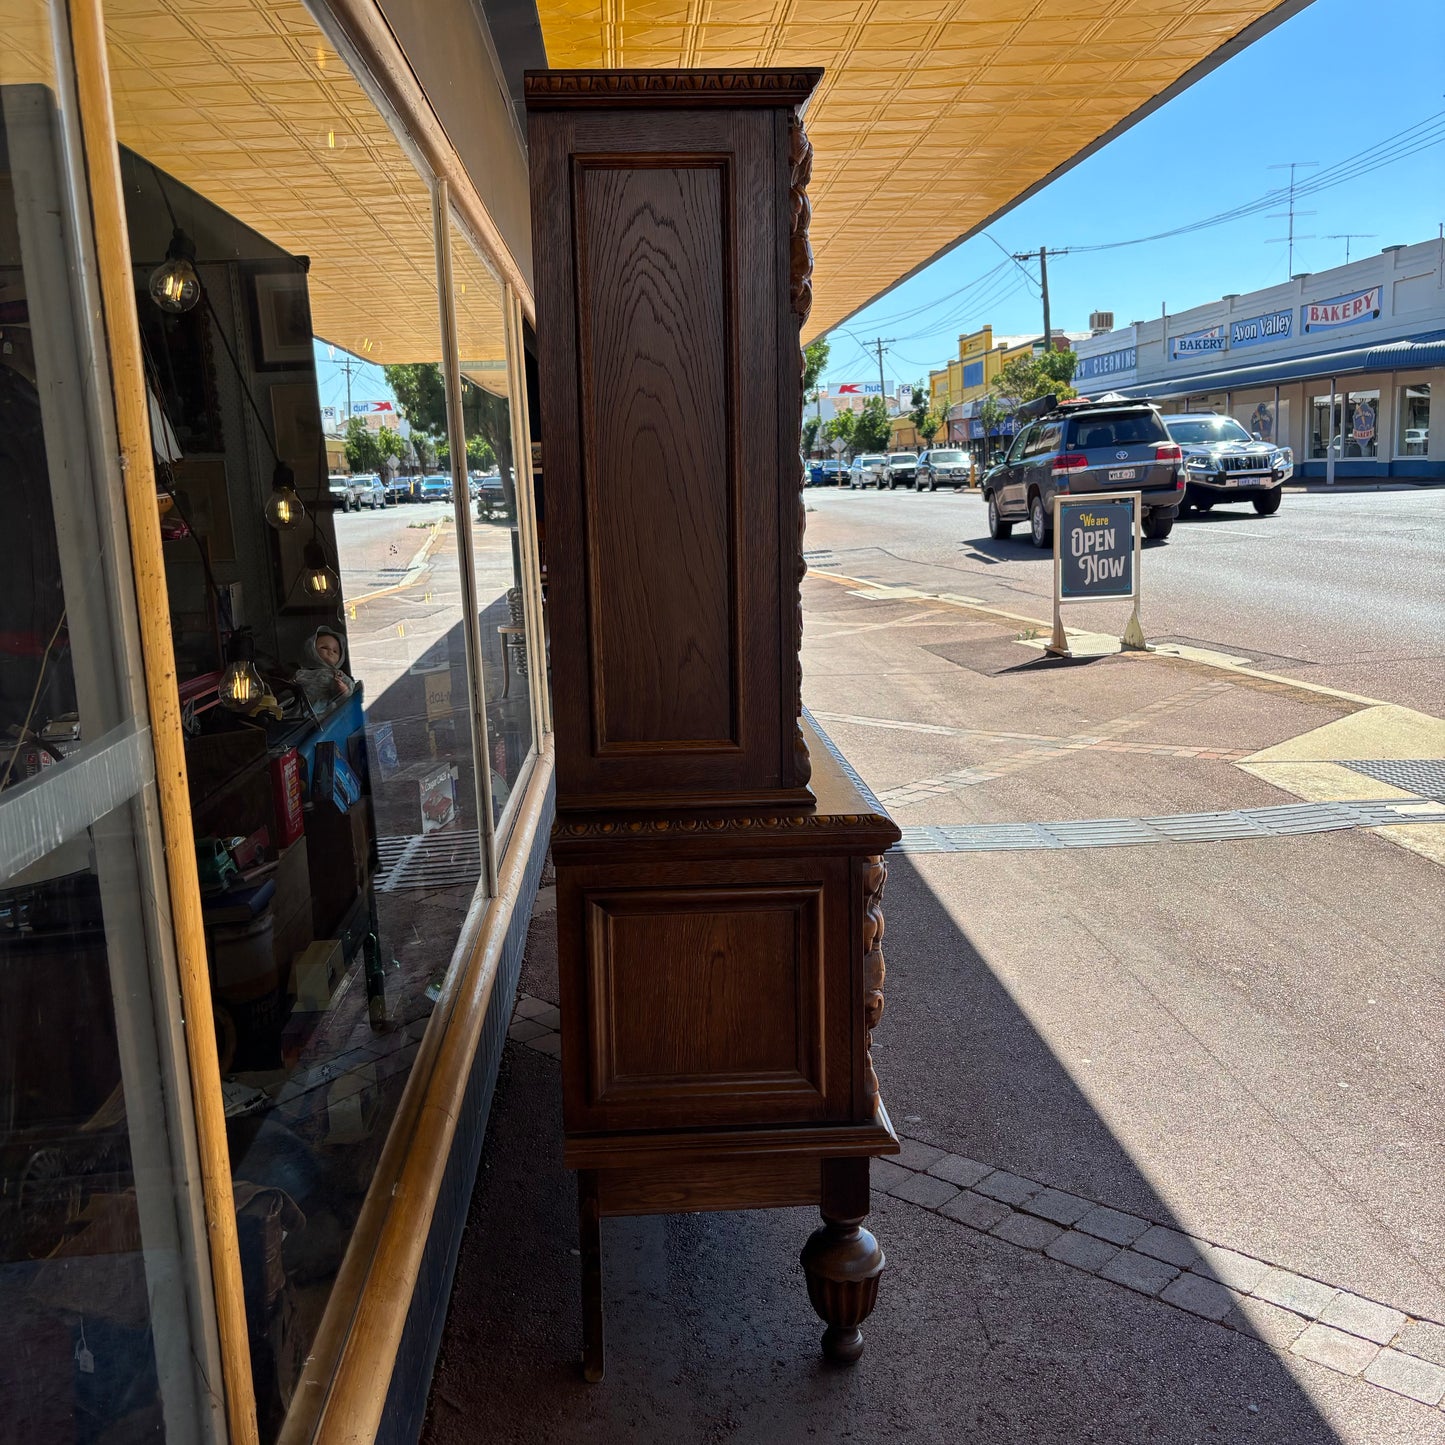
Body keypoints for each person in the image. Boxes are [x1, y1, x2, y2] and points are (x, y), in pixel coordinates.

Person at [294, 625, 353, 709]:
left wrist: (343, 689)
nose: (330, 652)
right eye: (324, 647)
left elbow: (347, 692)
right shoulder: (303, 672)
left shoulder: (337, 675)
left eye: (335, 651)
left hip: (323, 711)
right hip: (300, 708)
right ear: (311, 651)